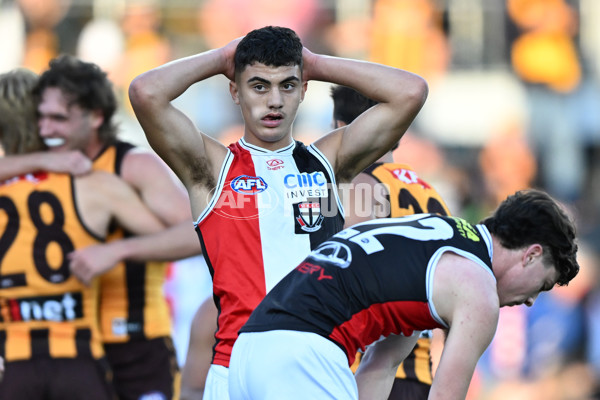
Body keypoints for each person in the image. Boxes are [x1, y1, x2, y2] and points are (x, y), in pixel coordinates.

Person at [129, 25, 428, 399]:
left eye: (287, 85)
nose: (274, 101)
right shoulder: (212, 168)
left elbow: (411, 92)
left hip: (310, 361)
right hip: (233, 366)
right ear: (234, 91)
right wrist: (222, 57)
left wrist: (314, 63)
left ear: (304, 90)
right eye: (258, 86)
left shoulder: (328, 163)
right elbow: (145, 92)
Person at [229, 189, 579, 400]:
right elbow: (444, 396)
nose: (532, 299)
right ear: (531, 254)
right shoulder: (478, 290)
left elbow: (380, 367)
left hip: (249, 348)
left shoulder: (435, 246)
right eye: (543, 284)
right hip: (304, 353)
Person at [0, 56, 202, 400]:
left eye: (58, 119)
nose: (46, 129)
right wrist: (43, 160)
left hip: (133, 342)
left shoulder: (131, 166)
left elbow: (199, 235)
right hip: (70, 349)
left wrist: (118, 249)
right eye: (41, 118)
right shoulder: (52, 169)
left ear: (95, 118)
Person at [332, 85, 450, 399]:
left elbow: (341, 269)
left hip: (370, 369)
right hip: (419, 373)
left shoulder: (361, 186)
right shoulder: (433, 195)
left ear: (341, 129)